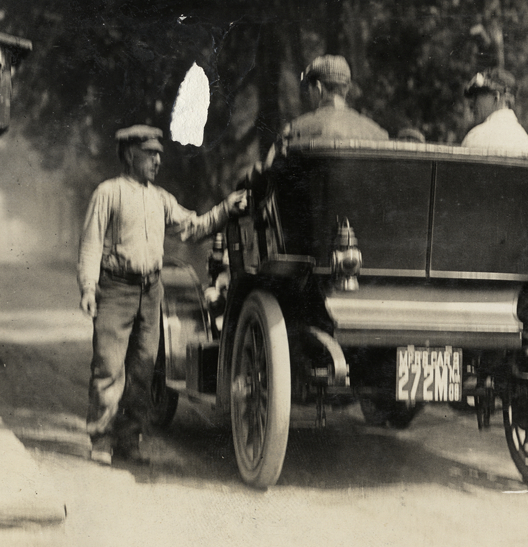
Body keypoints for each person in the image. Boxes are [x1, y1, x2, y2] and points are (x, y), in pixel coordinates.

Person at [78, 125, 247, 464]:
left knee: (142, 371)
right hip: (116, 289)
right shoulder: (108, 192)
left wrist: (226, 209)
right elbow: (91, 242)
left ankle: (128, 443)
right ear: (129, 155)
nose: (157, 160)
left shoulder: (160, 198)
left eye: (159, 154)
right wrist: (87, 286)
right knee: (109, 367)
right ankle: (100, 441)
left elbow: (193, 226)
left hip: (151, 291)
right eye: (150, 154)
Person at [266, 55, 387, 166]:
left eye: (309, 88)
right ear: (347, 88)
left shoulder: (294, 130)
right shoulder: (377, 133)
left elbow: (271, 172)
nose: (309, 94)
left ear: (319, 88)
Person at [461, 68, 528, 155]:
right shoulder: (526, 142)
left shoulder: (474, 138)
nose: (472, 104)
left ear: (496, 97)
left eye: (477, 96)